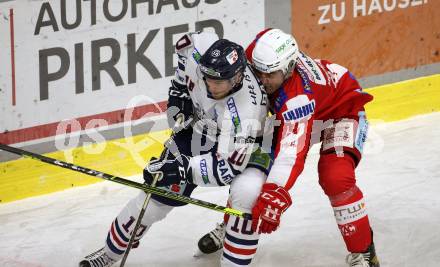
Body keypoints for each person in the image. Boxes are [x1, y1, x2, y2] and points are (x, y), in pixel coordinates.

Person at [79, 31, 273, 267]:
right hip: (197, 130)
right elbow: (185, 46)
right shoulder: (200, 48)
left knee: (246, 195)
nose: (210, 85)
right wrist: (180, 89)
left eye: (218, 81)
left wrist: (182, 170)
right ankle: (109, 254)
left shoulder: (247, 112)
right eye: (207, 77)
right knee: (154, 199)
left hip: (240, 148)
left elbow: (226, 169)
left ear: (237, 78)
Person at [198, 28, 380, 267]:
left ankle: (364, 251)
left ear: (289, 68)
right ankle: (234, 224)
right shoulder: (257, 54)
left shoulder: (296, 99)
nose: (262, 80)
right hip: (295, 113)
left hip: (340, 111)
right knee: (253, 167)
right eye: (258, 72)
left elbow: (290, 156)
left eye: (270, 75)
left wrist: (275, 192)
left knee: (336, 177)